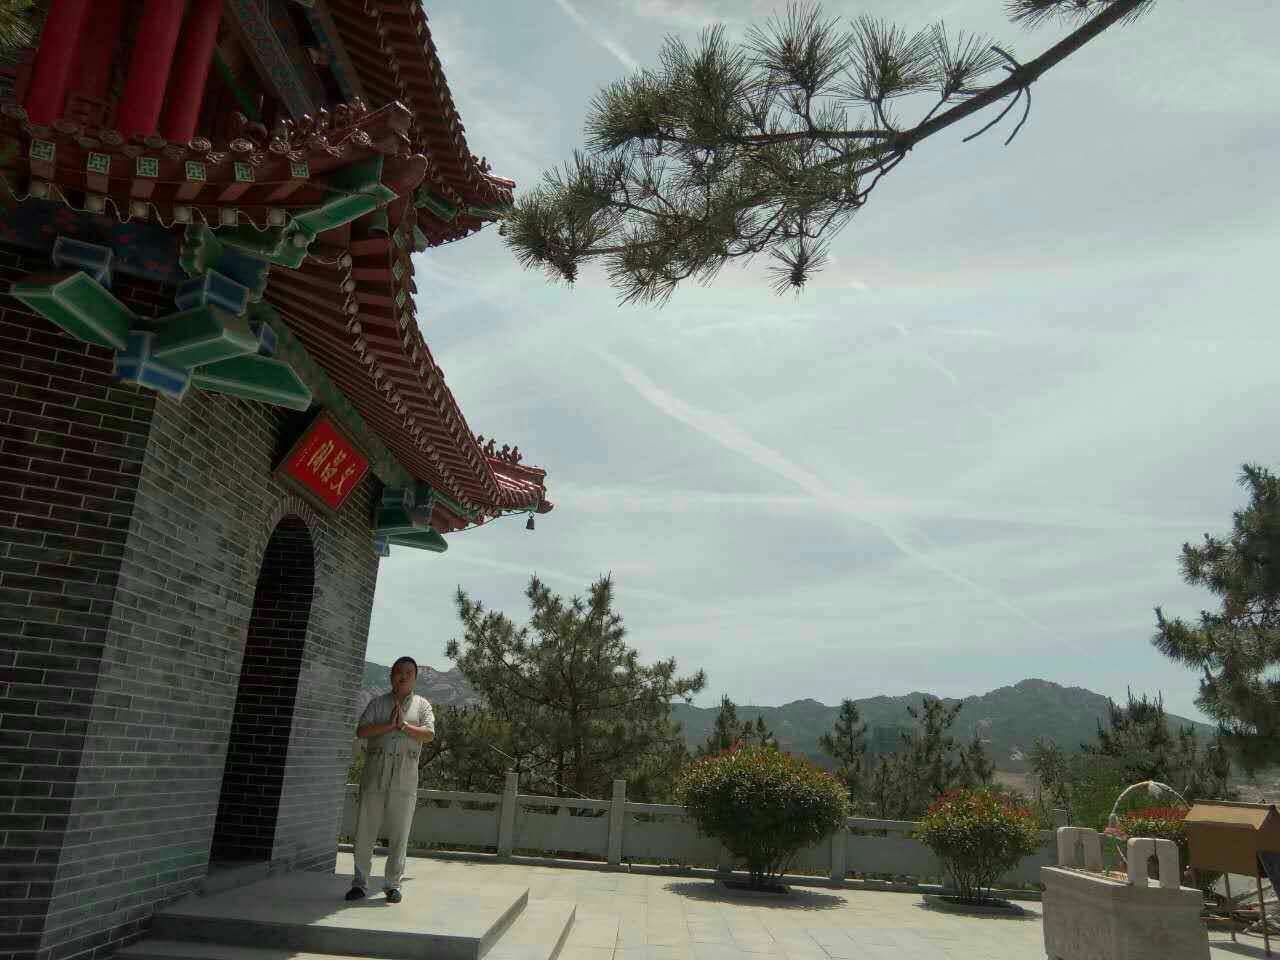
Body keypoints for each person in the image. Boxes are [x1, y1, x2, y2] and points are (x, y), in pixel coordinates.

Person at [345, 656, 434, 903]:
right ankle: (359, 883)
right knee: (365, 831)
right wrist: (389, 725)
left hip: (405, 778)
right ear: (391, 675)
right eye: (398, 672)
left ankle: (393, 885)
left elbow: (429, 734)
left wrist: (403, 726)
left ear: (415, 678)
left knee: (399, 834)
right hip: (375, 775)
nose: (403, 676)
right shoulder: (377, 703)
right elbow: (362, 730)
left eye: (408, 673)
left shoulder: (422, 705)